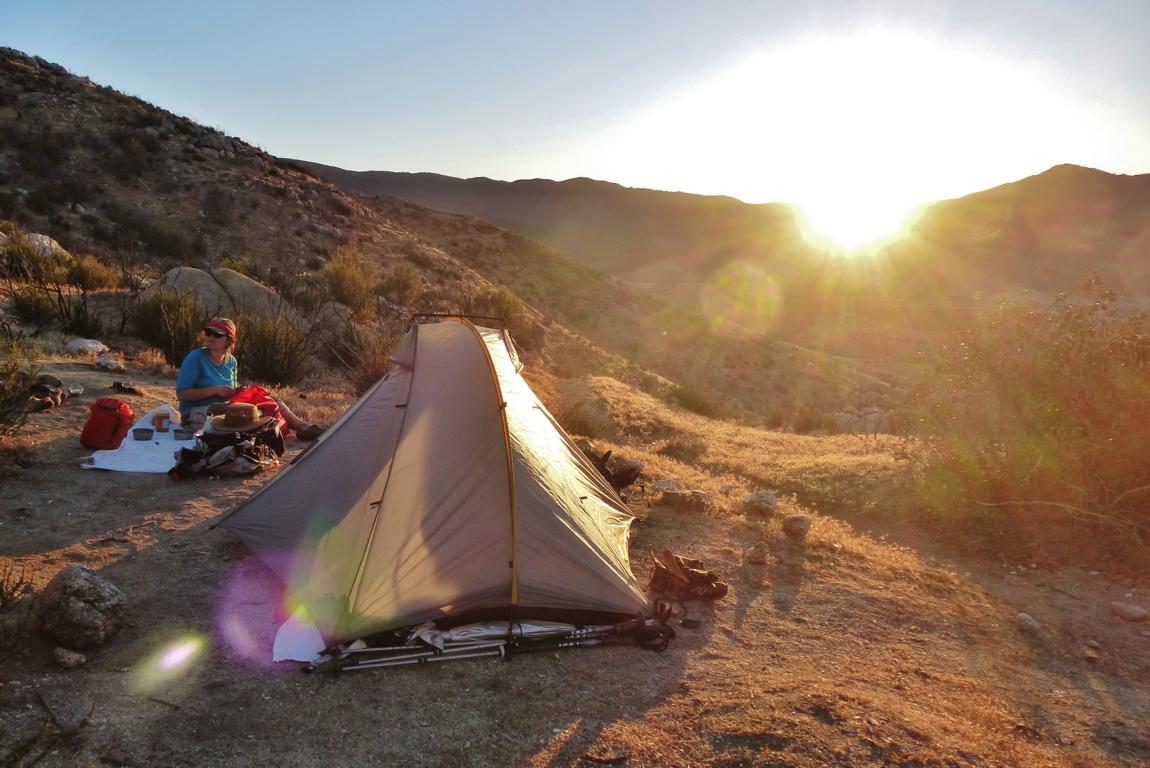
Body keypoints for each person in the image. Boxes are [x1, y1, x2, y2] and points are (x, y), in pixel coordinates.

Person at [176, 317, 325, 441]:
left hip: (225, 409)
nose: (211, 337)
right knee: (246, 413)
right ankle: (279, 431)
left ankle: (303, 427)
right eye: (209, 333)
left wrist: (237, 390)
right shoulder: (196, 358)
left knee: (270, 400)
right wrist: (215, 390)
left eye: (217, 334)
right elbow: (182, 394)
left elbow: (230, 392)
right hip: (195, 414)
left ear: (229, 340)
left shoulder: (231, 361)